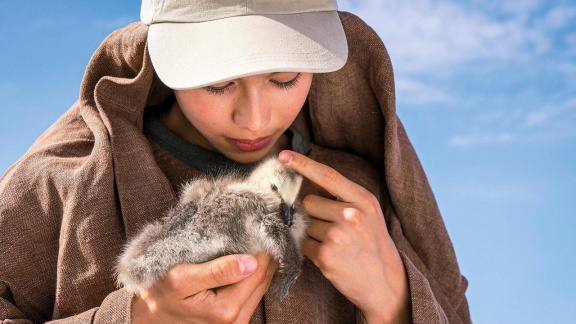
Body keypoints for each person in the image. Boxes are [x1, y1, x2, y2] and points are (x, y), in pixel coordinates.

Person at [0, 0, 471, 323]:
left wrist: (395, 304)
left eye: (285, 78)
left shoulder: (362, 194)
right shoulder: (59, 184)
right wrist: (134, 317)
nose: (254, 119)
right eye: (217, 84)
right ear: (163, 58)